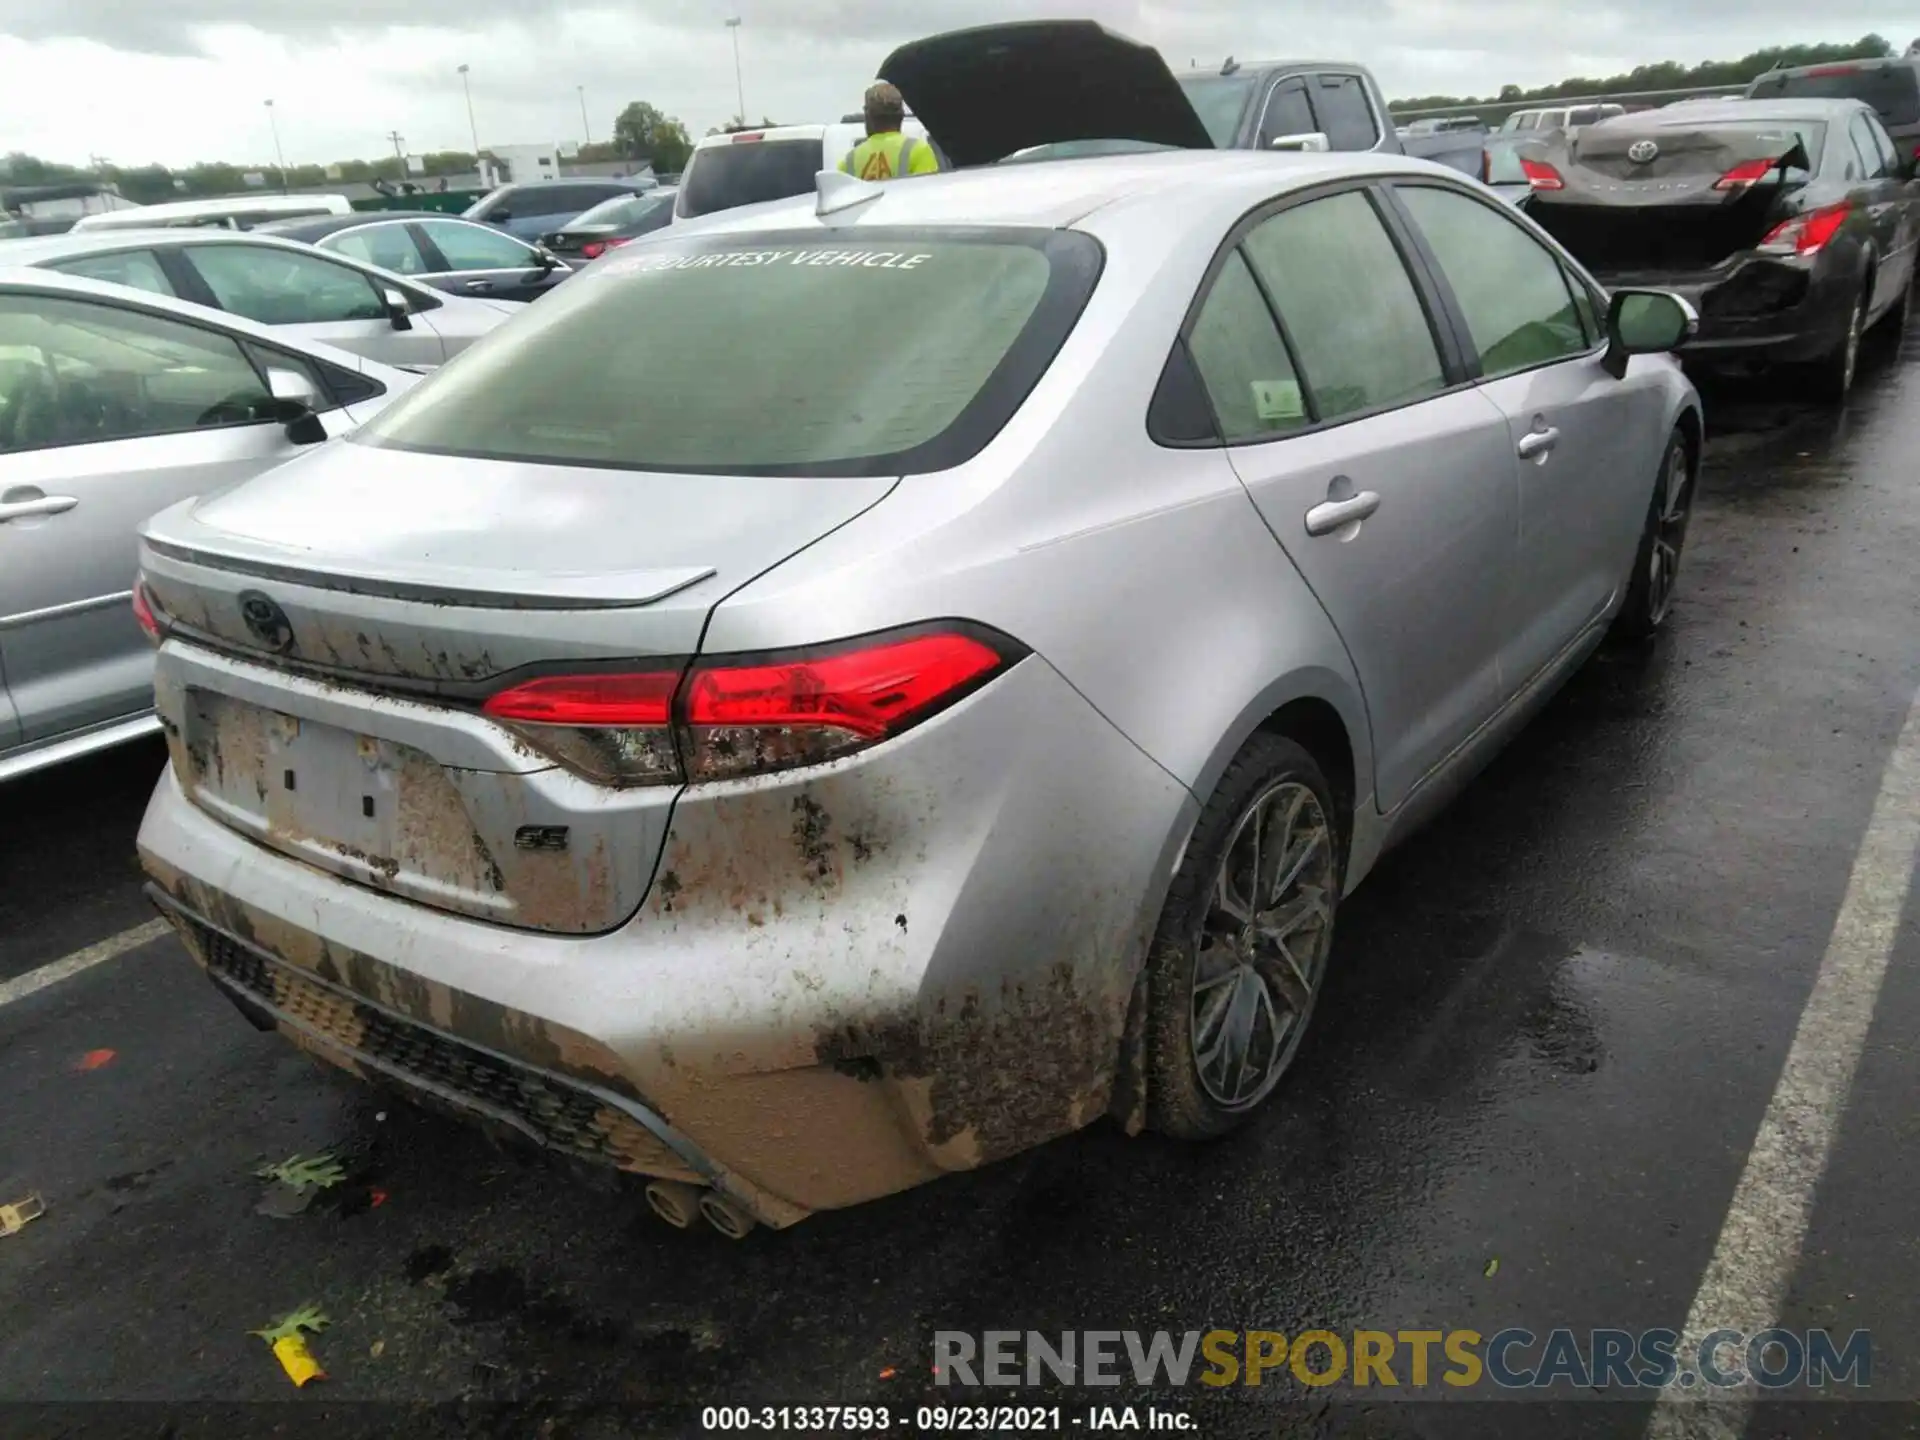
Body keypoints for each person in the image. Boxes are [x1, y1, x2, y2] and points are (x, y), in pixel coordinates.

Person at [838, 82, 940, 181]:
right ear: (901, 116)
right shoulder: (918, 151)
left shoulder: (849, 161)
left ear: (868, 116)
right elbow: (926, 194)